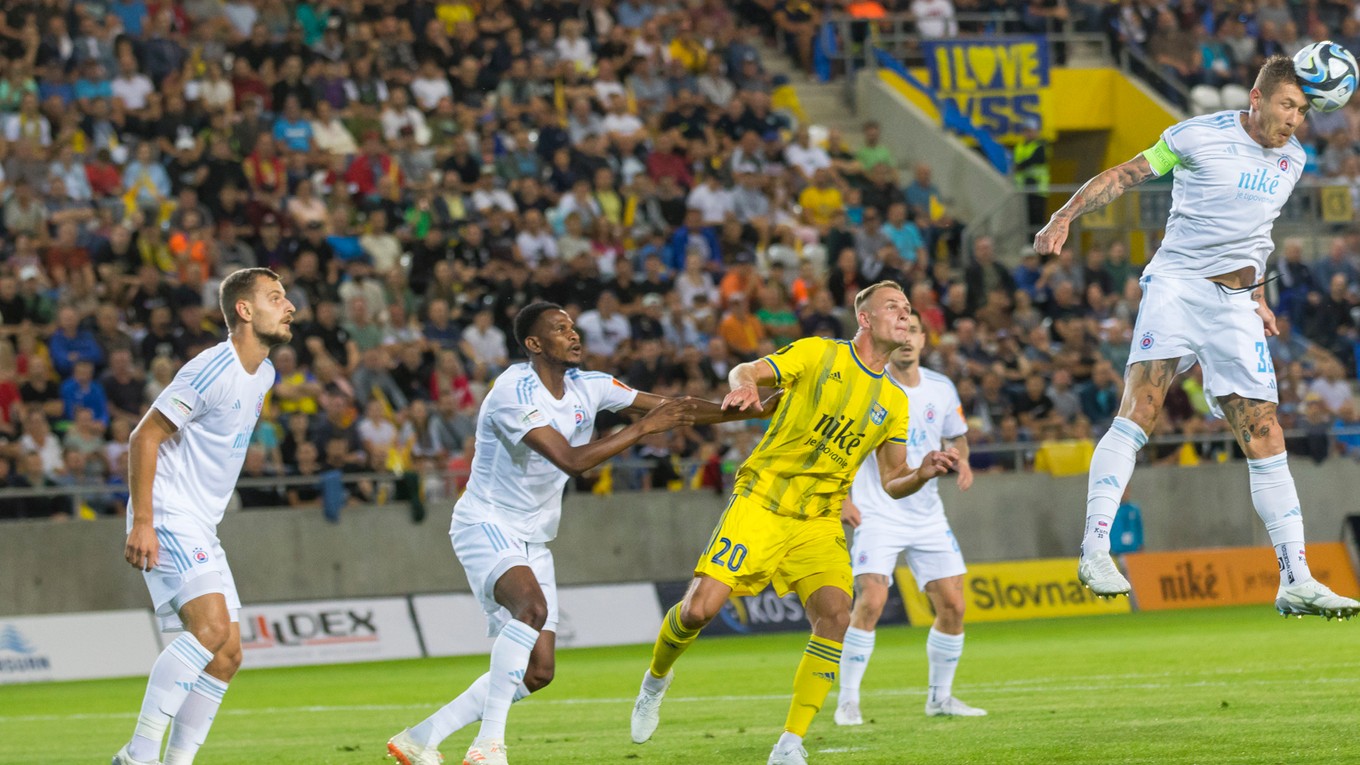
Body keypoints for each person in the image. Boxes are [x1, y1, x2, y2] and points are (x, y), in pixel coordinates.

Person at [1033, 55, 1360, 618]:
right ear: (1256, 98)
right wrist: (1065, 214)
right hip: (1178, 287)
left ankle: (1296, 578)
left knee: (1265, 431)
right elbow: (1123, 174)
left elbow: (1257, 232)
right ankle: (1094, 548)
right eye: (1287, 106)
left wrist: (1258, 296)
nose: (1294, 120)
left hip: (1235, 305)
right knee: (1143, 406)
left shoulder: (1295, 159)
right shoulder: (1194, 137)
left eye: (1303, 111)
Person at [387, 302, 764, 765]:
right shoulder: (513, 390)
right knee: (531, 610)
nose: (573, 334)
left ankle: (419, 737)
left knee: (539, 672)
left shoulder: (592, 386)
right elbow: (570, 459)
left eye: (572, 326)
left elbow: (679, 410)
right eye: (559, 329)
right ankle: (488, 747)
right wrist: (644, 428)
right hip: (486, 522)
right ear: (534, 344)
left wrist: (757, 410)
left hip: (534, 537)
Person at [630, 282, 960, 765]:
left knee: (836, 615)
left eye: (909, 309)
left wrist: (922, 472)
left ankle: (790, 744)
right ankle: (655, 681)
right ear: (865, 319)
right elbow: (747, 368)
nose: (906, 315)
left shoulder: (894, 401)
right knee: (699, 610)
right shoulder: (818, 353)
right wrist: (744, 385)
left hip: (819, 519)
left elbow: (893, 480)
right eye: (894, 307)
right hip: (762, 501)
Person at [115, 268, 295, 765]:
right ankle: (139, 755)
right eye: (275, 298)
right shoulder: (211, 370)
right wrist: (144, 521)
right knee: (210, 631)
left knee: (227, 655)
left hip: (200, 521)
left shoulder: (264, 374)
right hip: (169, 511)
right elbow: (143, 437)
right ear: (244, 310)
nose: (289, 306)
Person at [834, 312, 984, 725]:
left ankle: (940, 698)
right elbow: (842, 443)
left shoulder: (940, 387)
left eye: (914, 331)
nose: (906, 338)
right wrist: (842, 497)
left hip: (926, 513)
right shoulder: (869, 386)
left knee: (953, 605)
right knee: (873, 600)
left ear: (923, 339)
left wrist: (964, 463)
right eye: (900, 330)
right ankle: (848, 701)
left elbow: (956, 435)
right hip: (876, 508)